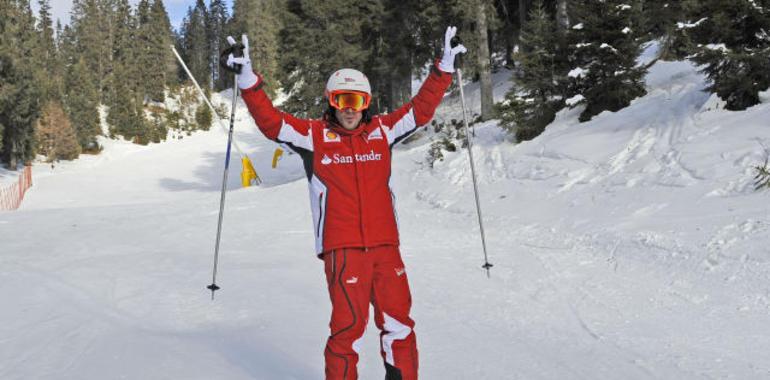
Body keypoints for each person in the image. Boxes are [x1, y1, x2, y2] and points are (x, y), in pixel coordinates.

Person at [225, 26, 466, 380]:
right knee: (348, 330)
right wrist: (247, 80)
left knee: (399, 323)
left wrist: (444, 67)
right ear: (330, 102)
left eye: (356, 101)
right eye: (342, 101)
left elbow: (421, 110)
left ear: (366, 103)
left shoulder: (382, 131)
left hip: (385, 246)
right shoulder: (313, 136)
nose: (349, 110)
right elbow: (271, 123)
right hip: (343, 249)